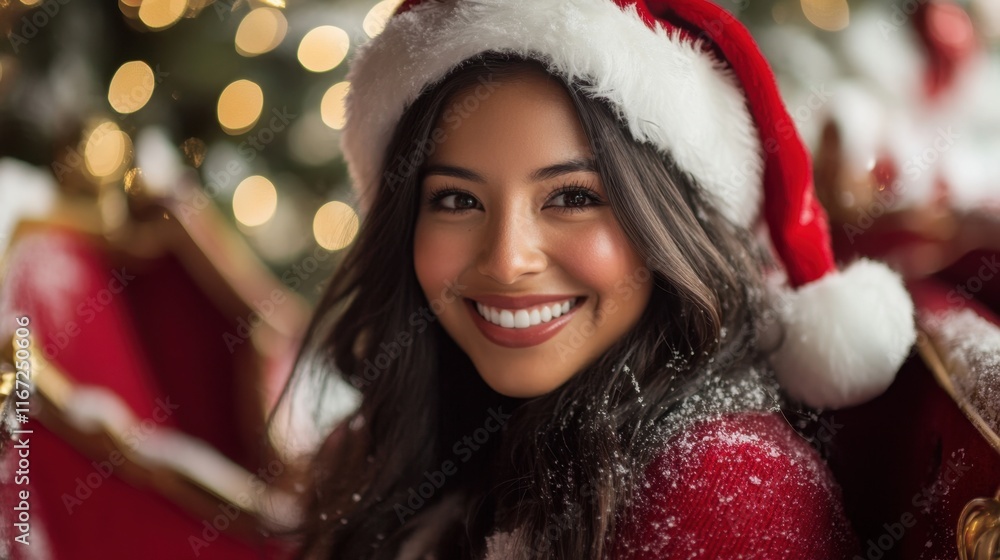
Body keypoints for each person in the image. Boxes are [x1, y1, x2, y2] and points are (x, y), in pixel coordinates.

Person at [282, 0, 918, 558]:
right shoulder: (394, 441)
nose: (506, 261)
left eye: (572, 198)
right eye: (456, 200)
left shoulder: (725, 490)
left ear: (669, 223)